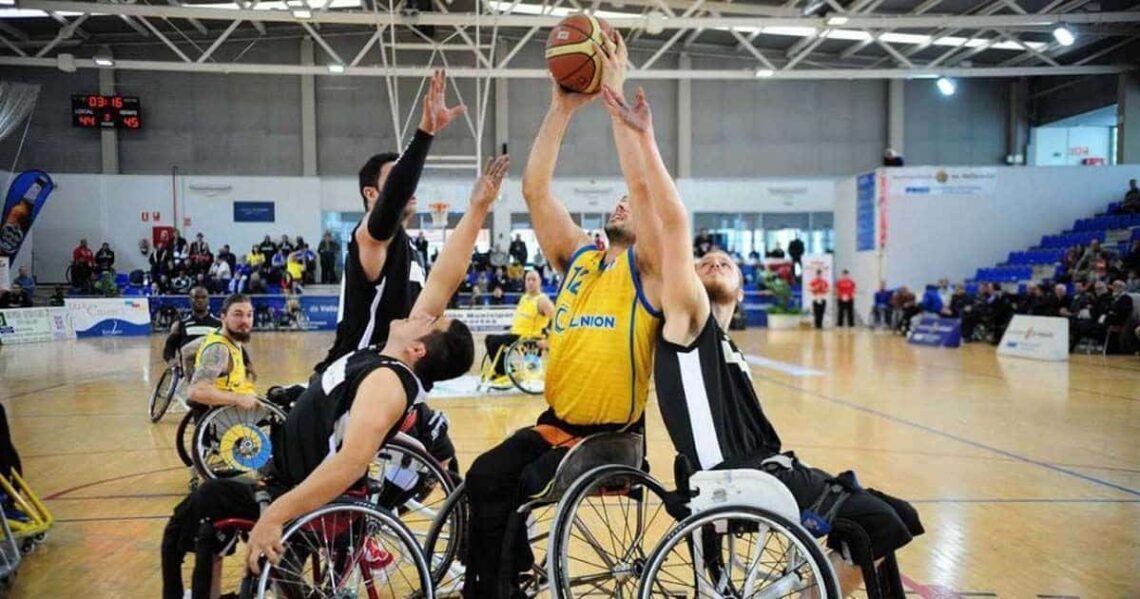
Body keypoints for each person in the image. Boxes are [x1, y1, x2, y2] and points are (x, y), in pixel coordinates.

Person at [605, 86, 922, 596]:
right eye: (703, 261)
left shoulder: (727, 346)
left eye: (725, 263)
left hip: (767, 468)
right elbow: (670, 221)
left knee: (896, 515)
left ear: (741, 288)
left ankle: (816, 587)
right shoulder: (689, 325)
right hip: (737, 475)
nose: (713, 263)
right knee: (880, 523)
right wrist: (641, 138)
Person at [159, 154, 492, 599]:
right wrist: (477, 210)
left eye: (427, 321)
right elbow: (446, 277)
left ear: (417, 347)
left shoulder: (386, 382)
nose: (423, 313)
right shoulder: (379, 355)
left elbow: (351, 463)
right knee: (199, 522)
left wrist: (276, 514)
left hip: (296, 496)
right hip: (286, 477)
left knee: (190, 522)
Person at [463, 34, 665, 598]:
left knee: (523, 485)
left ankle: (503, 583)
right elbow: (535, 190)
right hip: (557, 424)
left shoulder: (649, 270)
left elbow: (648, 193)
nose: (624, 202)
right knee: (483, 476)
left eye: (632, 205)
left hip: (611, 439)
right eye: (618, 200)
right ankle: (494, 583)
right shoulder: (580, 258)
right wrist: (561, 107)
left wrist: (616, 95)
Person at [315, 70, 466, 373]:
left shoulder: (410, 248)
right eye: (397, 178)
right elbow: (392, 202)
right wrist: (426, 132)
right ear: (371, 193)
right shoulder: (370, 237)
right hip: (355, 373)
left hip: (393, 372)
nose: (409, 188)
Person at [483, 270, 553, 385]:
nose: (530, 282)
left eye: (533, 280)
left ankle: (503, 372)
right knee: (490, 340)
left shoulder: (542, 301)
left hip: (529, 338)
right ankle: (506, 370)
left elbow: (555, 318)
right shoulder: (524, 298)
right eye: (528, 280)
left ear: (540, 282)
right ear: (524, 282)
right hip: (517, 335)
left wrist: (548, 339)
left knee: (492, 340)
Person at [162, 286, 223, 363]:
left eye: (203, 297)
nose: (200, 300)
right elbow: (169, 349)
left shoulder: (219, 324)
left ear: (208, 300)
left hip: (213, 371)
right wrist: (172, 361)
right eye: (196, 297)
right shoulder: (179, 325)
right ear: (190, 300)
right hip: (188, 371)